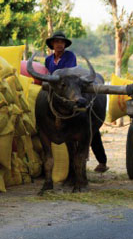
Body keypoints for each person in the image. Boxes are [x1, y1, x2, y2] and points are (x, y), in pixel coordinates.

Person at [45, 31, 109, 173]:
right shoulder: (48, 59)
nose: (59, 44)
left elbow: (70, 74)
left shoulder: (70, 56)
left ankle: (101, 161)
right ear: (52, 44)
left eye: (61, 42)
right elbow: (48, 76)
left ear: (65, 45)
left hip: (71, 93)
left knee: (90, 129)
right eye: (56, 42)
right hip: (57, 96)